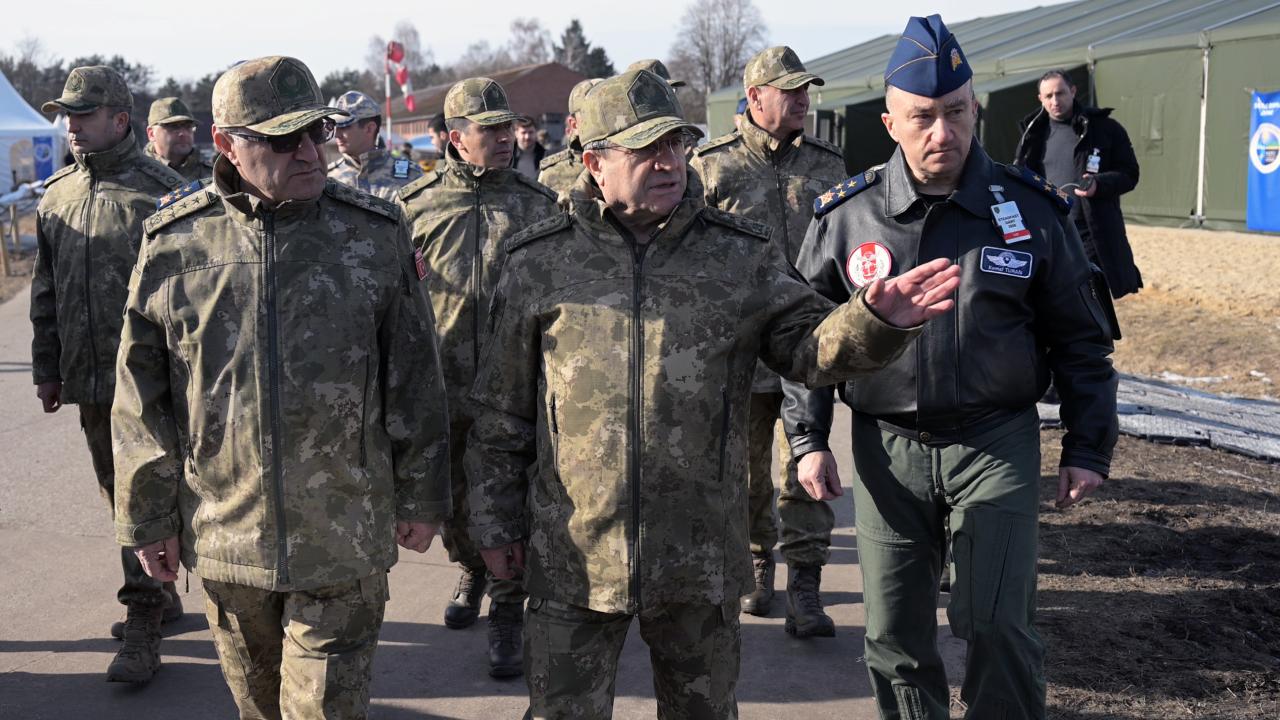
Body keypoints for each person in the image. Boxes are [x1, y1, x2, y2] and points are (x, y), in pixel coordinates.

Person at [466, 68, 961, 718]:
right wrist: (495, 521)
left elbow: (807, 349)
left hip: (698, 559)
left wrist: (871, 320)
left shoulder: (737, 257)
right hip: (574, 558)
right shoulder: (539, 261)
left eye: (675, 144)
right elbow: (502, 412)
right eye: (646, 149)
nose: (668, 162)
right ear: (594, 163)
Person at [781, 16, 1119, 719]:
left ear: (976, 111)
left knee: (997, 622)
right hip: (887, 450)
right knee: (894, 634)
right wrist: (809, 440)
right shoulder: (847, 217)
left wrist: (1088, 447)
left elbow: (1081, 341)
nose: (944, 132)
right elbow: (805, 343)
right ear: (890, 123)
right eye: (923, 117)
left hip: (995, 442)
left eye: (957, 113)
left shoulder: (1030, 210)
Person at [112, 55, 452, 718]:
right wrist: (148, 517)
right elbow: (140, 399)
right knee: (260, 709)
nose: (308, 152)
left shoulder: (372, 235)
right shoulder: (175, 245)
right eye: (281, 139)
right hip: (226, 539)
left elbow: (415, 376)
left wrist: (423, 492)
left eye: (315, 132)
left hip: (343, 535)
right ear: (225, 144)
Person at [395, 76, 559, 679]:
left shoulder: (539, 205)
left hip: (515, 389)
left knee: (512, 499)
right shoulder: (414, 207)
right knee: (456, 500)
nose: (504, 138)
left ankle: (509, 609)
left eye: (506, 127)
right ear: (455, 138)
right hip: (443, 387)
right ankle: (470, 567)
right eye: (488, 130)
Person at [30, 65, 187, 684]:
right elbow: (45, 290)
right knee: (117, 493)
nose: (71, 126)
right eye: (66, 115)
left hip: (154, 383)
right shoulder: (56, 195)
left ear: (120, 119)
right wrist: (47, 367)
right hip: (90, 380)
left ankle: (143, 620)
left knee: (145, 493)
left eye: (83, 114)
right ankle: (160, 591)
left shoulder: (164, 193)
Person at [689, 45, 848, 634]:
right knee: (748, 473)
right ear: (755, 97)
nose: (803, 99)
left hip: (808, 346)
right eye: (790, 90)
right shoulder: (713, 168)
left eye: (807, 89)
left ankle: (807, 582)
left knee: (808, 462)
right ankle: (760, 563)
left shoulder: (828, 166)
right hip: (743, 350)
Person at [1014, 70, 1142, 298]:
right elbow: (1022, 178)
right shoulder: (1032, 134)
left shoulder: (1104, 128)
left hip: (1089, 233)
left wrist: (1098, 184)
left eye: (1060, 93)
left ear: (1073, 91)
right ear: (1040, 99)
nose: (1055, 101)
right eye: (1048, 96)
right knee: (1056, 302)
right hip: (1049, 233)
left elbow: (1130, 174)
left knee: (1094, 299)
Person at [327, 90, 423, 200]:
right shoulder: (328, 176)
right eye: (335, 127)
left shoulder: (410, 174)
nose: (337, 135)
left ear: (369, 128)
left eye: (344, 127)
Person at [538, 78, 601, 202]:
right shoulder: (553, 173)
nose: (600, 122)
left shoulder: (630, 161)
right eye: (591, 116)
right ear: (574, 125)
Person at [145, 96, 213, 182]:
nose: (183, 133)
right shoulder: (134, 175)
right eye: (173, 127)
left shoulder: (213, 175)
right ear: (151, 134)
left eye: (188, 127)